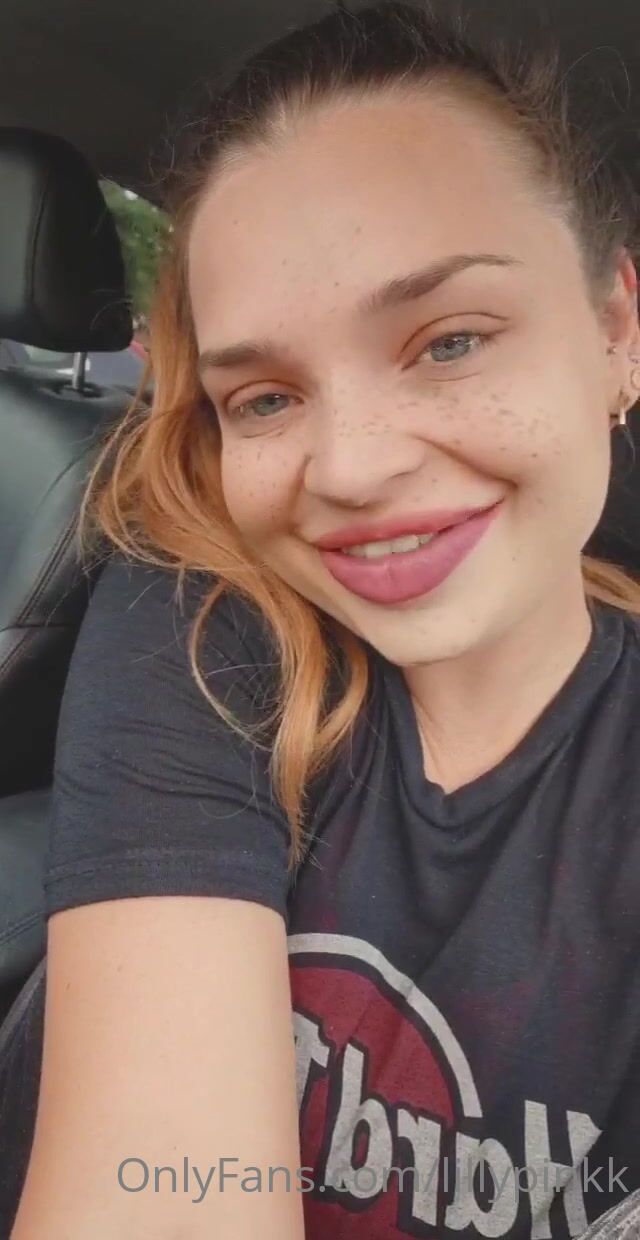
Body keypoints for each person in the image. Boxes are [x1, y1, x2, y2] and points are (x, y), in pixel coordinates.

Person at [5, 2, 640, 1237]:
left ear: (617, 328)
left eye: (449, 342)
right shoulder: (205, 625)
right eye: (264, 398)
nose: (347, 468)